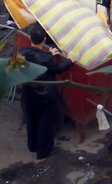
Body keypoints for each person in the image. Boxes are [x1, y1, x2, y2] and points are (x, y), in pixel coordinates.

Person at [20, 22, 72, 160]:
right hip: (46, 97)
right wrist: (70, 61)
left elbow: (35, 57)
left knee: (32, 120)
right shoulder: (47, 59)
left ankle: (32, 146)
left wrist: (48, 54)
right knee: (45, 124)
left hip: (29, 94)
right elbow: (59, 68)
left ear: (30, 39)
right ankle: (43, 152)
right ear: (44, 40)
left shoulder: (22, 53)